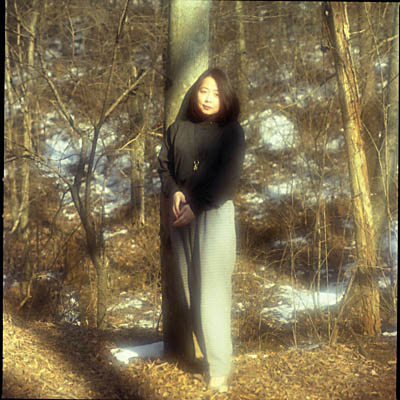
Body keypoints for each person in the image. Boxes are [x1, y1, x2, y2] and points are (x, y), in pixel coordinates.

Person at [158, 68, 245, 393]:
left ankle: (219, 369)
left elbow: (228, 179)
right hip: (182, 216)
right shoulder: (177, 129)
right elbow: (164, 167)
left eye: (216, 94)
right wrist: (174, 191)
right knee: (189, 292)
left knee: (212, 293)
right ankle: (209, 358)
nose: (208, 98)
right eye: (204, 91)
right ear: (195, 93)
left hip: (214, 215)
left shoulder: (231, 132)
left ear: (226, 99)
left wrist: (197, 205)